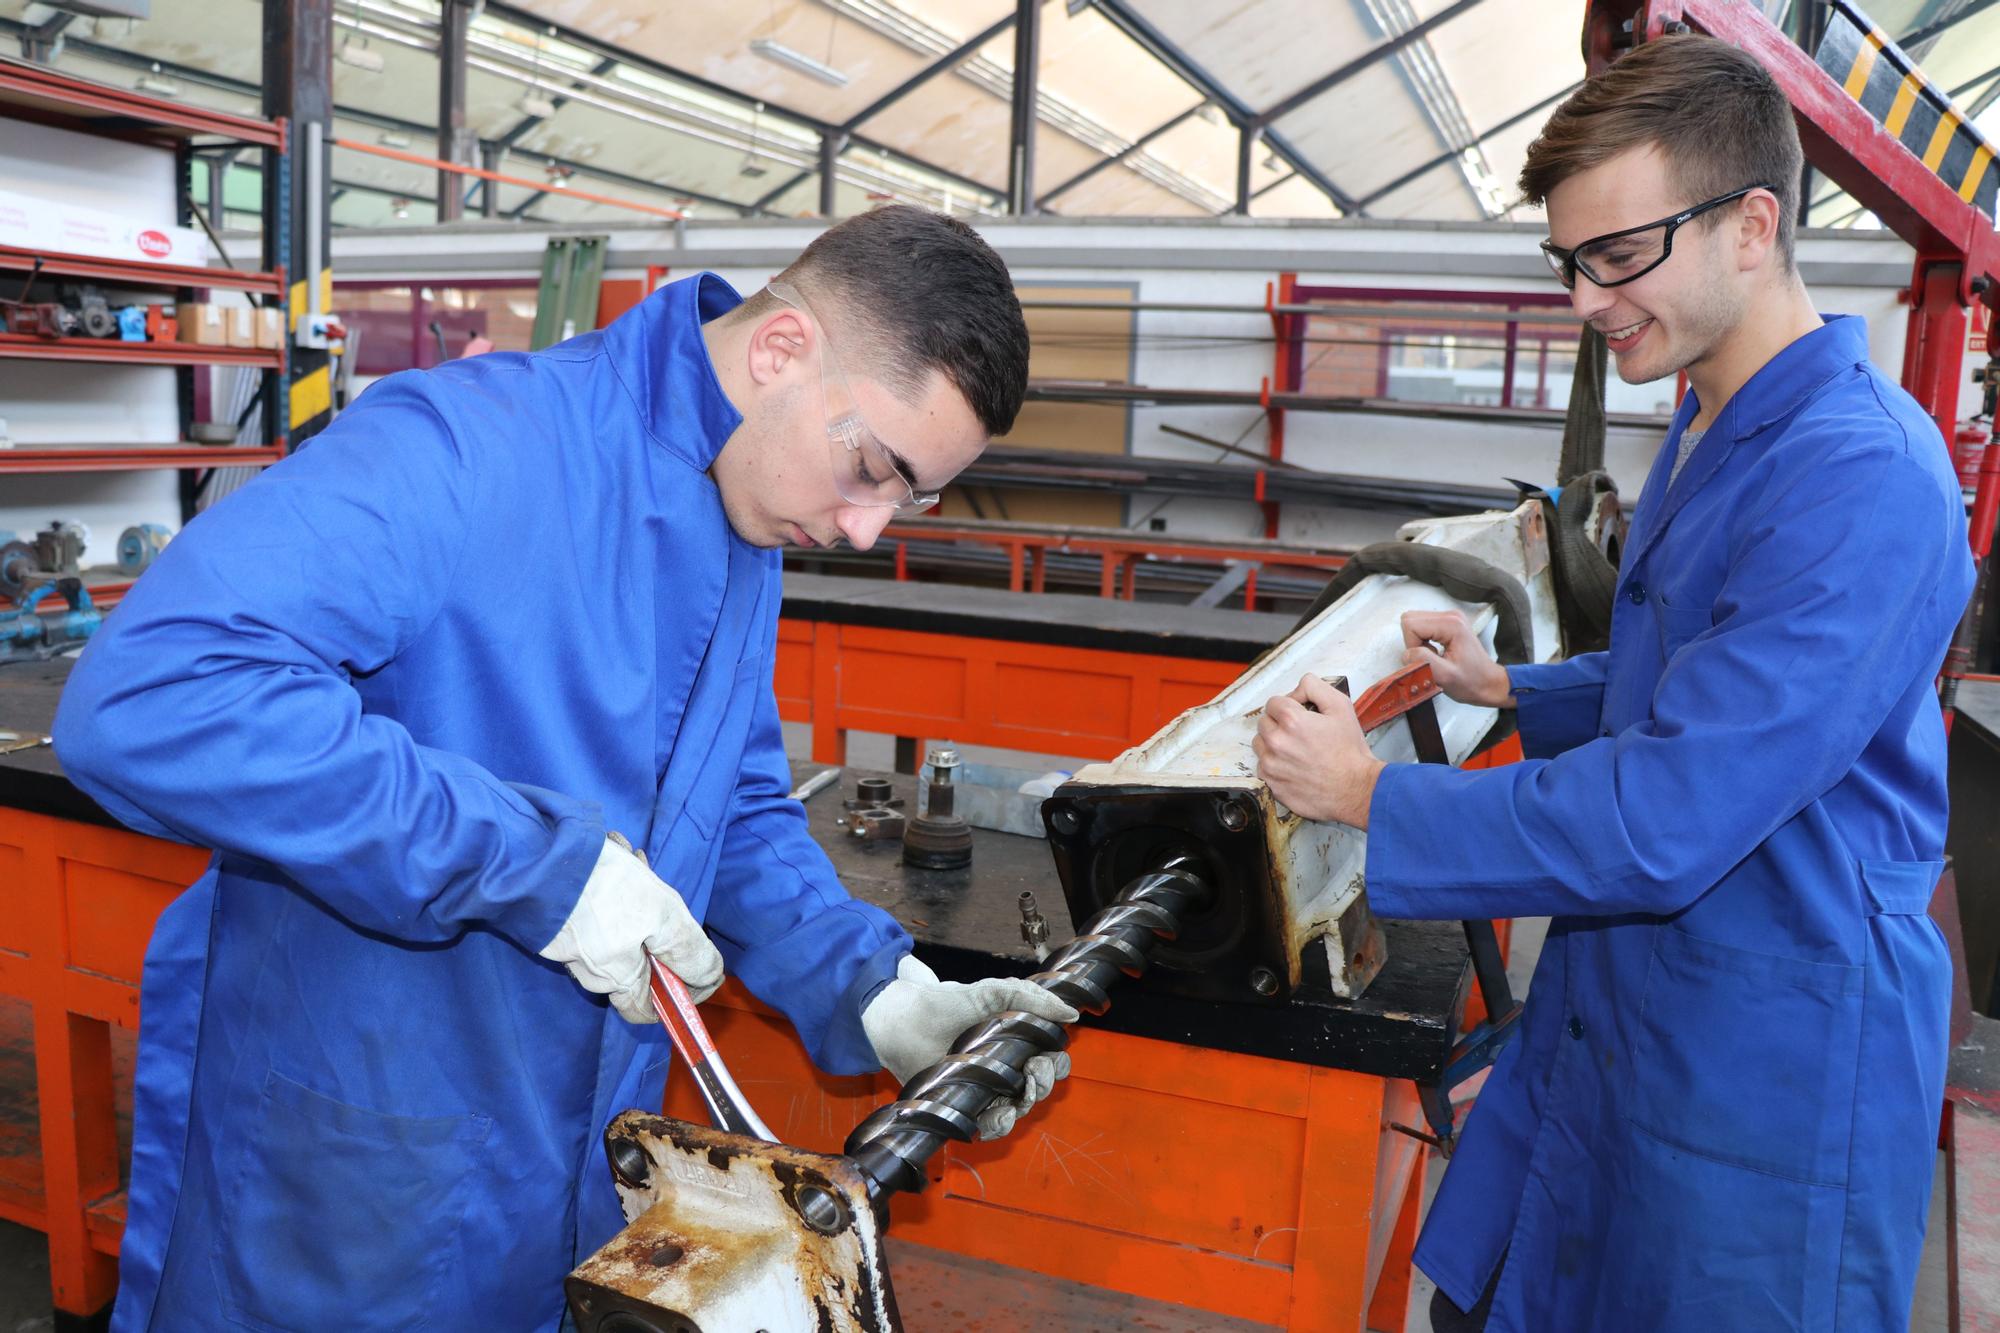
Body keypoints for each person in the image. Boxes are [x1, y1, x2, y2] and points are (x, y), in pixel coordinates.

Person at [54, 204, 1073, 1332]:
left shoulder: (744, 508)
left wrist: (868, 987)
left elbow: (723, 803)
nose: (867, 527)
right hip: (352, 1178)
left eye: (907, 495)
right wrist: (536, 866)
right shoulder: (467, 446)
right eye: (871, 467)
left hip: (574, 1161)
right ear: (780, 350)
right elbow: (156, 692)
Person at [1254, 35, 1973, 1333]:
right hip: (1633, 1005)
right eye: (1570, 260)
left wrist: (1371, 800)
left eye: (1619, 255)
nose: (1588, 297)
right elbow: (1703, 671)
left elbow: (1666, 812)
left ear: (1753, 226)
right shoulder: (1716, 412)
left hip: (1763, 1058)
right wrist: (1519, 690)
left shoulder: (1859, 472)